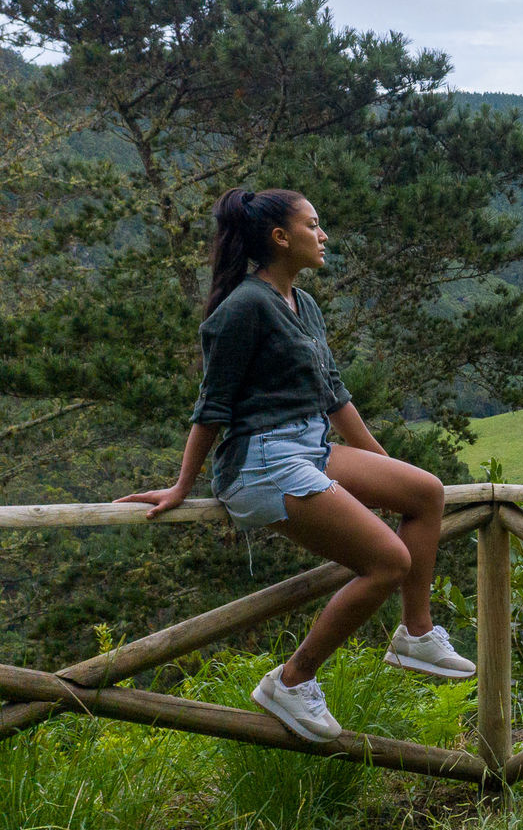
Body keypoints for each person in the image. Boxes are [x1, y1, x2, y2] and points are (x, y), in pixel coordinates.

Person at [117, 187, 473, 743]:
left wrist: (387, 470)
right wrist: (181, 485)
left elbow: (335, 396)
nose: (323, 234)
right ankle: (292, 679)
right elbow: (212, 406)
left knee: (425, 492)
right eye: (313, 225)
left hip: (310, 446)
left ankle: (415, 634)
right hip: (260, 462)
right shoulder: (243, 307)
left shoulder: (303, 304)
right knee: (387, 561)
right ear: (281, 238)